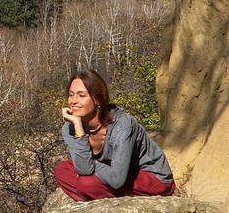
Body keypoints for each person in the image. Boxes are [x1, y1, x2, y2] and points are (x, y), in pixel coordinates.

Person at [54, 68, 175, 202]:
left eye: (82, 95)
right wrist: (78, 128)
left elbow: (117, 179)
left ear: (97, 99)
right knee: (62, 169)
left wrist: (90, 164)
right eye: (71, 95)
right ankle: (97, 195)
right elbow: (84, 169)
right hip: (110, 173)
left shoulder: (122, 124)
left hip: (150, 177)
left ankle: (95, 195)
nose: (73, 101)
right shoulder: (70, 128)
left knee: (86, 184)